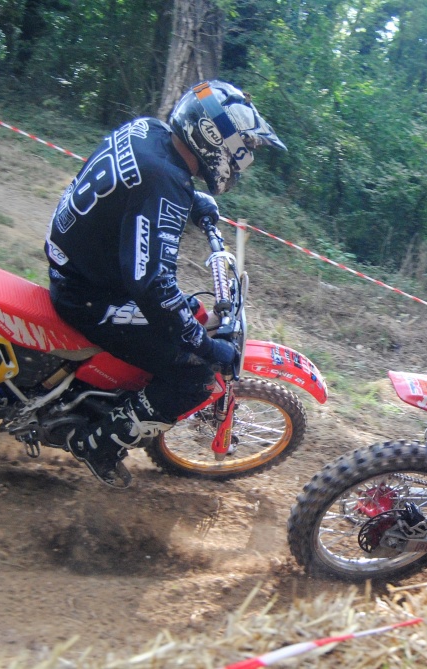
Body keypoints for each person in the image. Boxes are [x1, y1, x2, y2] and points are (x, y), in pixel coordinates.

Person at [44, 80, 286, 488]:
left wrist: (191, 200)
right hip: (90, 297)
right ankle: (96, 444)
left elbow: (134, 187)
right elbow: (152, 286)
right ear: (215, 138)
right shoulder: (165, 183)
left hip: (78, 265)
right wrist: (206, 347)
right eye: (245, 146)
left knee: (185, 314)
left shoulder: (148, 131)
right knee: (196, 377)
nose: (247, 157)